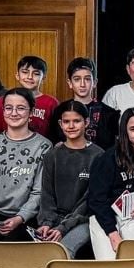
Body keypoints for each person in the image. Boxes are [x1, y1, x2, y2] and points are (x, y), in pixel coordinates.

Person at [0, 88, 52, 259]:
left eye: (20, 108)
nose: (14, 113)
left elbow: (39, 192)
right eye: (8, 108)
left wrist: (19, 218)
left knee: (12, 249)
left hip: (26, 218)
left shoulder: (44, 147)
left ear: (31, 113)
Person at [87, 107, 134, 260]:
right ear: (124, 132)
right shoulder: (107, 159)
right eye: (133, 129)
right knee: (110, 264)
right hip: (104, 217)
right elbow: (96, 200)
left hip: (132, 214)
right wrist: (112, 234)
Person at [35, 100, 103, 258]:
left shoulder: (98, 156)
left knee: (63, 250)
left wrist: (63, 228)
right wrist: (46, 224)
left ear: (86, 122)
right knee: (36, 252)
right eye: (66, 121)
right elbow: (47, 195)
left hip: (84, 220)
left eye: (76, 121)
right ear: (60, 123)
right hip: (54, 219)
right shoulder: (53, 154)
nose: (71, 126)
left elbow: (88, 202)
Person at [0, 56, 58, 136]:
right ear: (17, 75)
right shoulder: (2, 100)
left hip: (41, 146)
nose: (30, 77)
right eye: (25, 72)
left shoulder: (51, 103)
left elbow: (56, 135)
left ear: (43, 78)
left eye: (36, 74)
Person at [60, 57, 118, 150]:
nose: (82, 84)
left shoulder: (109, 113)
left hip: (100, 162)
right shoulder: (60, 110)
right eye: (77, 79)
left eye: (87, 79)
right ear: (70, 83)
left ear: (94, 82)